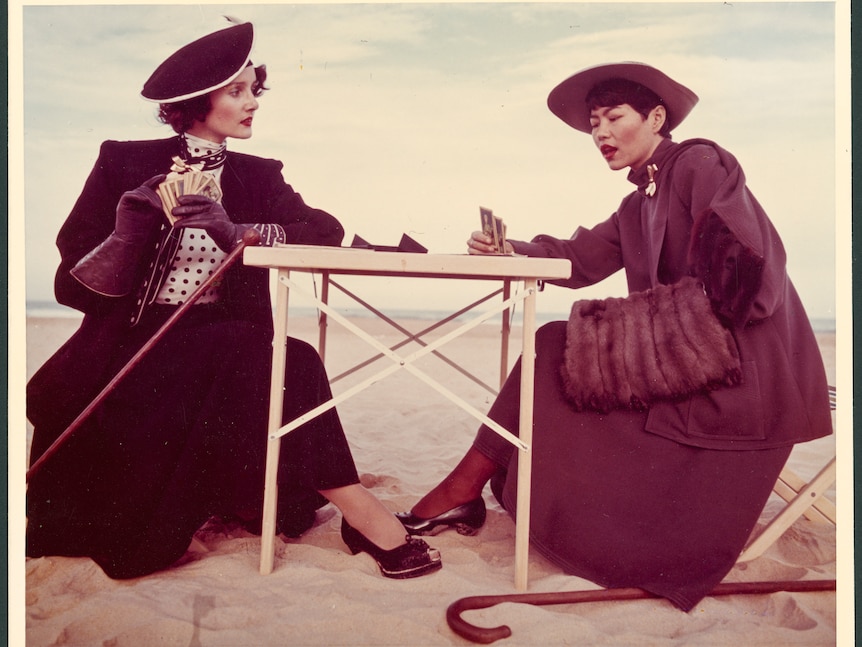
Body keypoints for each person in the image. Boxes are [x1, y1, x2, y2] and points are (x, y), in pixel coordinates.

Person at [396, 62, 832, 608]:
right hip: (688, 364)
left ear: (655, 118)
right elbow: (579, 258)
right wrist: (512, 251)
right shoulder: (637, 202)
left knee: (557, 342)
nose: (599, 134)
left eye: (613, 118)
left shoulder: (699, 161)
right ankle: (465, 488)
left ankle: (462, 490)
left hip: (745, 373)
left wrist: (647, 336)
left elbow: (749, 278)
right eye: (593, 123)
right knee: (555, 346)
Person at [26, 21, 441, 581]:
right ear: (195, 102)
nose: (252, 104)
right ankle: (359, 511)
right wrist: (127, 233)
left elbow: (324, 231)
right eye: (237, 92)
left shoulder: (258, 174)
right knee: (280, 356)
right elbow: (72, 288)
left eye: (255, 91)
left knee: (271, 352)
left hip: (226, 355)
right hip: (129, 357)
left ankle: (356, 509)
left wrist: (238, 230)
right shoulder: (122, 161)